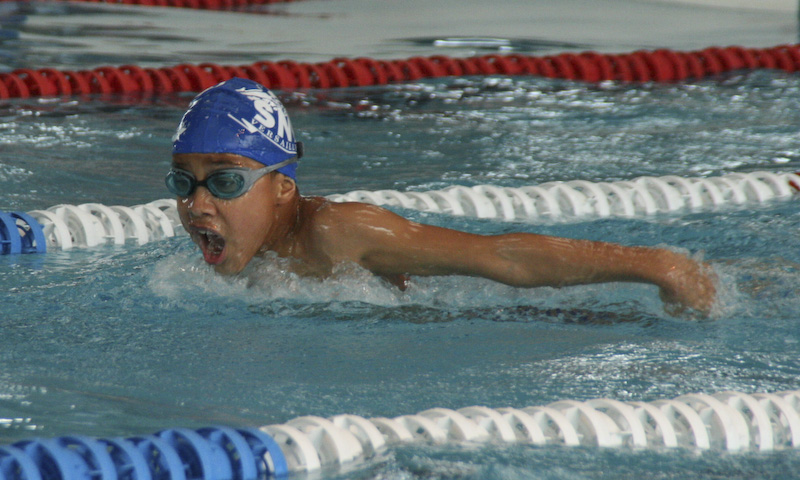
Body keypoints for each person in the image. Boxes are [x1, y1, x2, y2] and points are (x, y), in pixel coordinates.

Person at [168, 78, 717, 315]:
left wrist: (657, 266)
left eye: (225, 182)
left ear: (283, 188)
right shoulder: (238, 255)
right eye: (183, 182)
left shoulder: (337, 232)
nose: (197, 205)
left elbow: (501, 256)